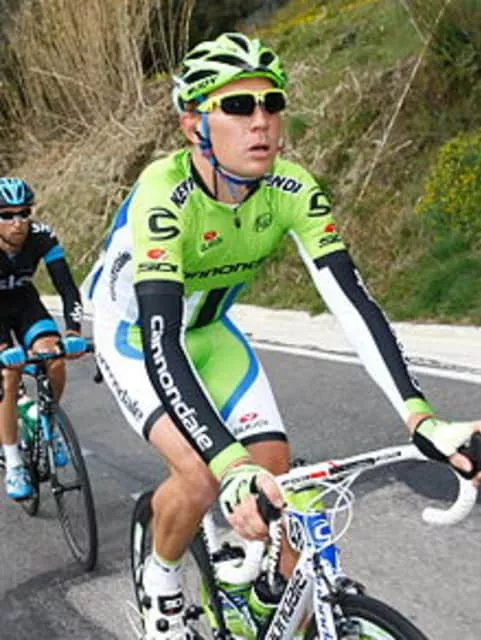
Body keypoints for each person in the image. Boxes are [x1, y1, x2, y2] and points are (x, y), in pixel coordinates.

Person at [84, 32, 481, 639]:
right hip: (137, 338)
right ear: (193, 125)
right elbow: (163, 343)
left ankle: (255, 594)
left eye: (272, 103)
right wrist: (229, 465)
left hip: (211, 333)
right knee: (204, 475)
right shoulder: (164, 194)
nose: (261, 120)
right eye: (237, 106)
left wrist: (422, 417)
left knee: (279, 476)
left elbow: (353, 305)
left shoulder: (292, 188)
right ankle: (161, 583)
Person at [0, 177, 87, 500]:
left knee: (55, 359)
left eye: (24, 213)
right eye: (6, 215)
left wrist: (73, 331)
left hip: (24, 302)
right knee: (9, 375)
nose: (18, 222)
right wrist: (4, 349)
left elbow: (67, 287)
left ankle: (46, 423)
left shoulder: (41, 236)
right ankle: (13, 463)